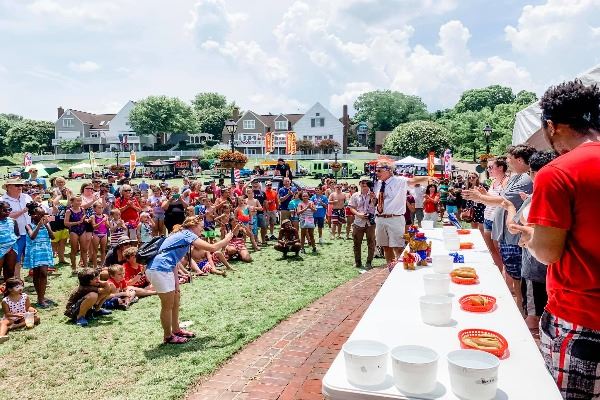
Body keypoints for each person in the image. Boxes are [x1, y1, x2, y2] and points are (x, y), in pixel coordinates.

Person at [510, 80, 600, 399]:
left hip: (580, 319)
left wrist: (529, 233)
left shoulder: (558, 171)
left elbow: (548, 252)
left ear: (551, 125)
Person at [463, 144, 535, 313]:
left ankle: (522, 310)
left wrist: (480, 197)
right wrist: (482, 197)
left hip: (515, 235)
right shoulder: (516, 177)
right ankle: (520, 307)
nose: (507, 161)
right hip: (508, 233)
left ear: (518, 159)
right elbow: (501, 199)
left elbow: (504, 201)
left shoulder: (524, 178)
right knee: (513, 271)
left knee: (518, 276)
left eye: (509, 158)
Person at [145, 216, 233, 344]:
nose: (201, 231)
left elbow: (174, 261)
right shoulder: (187, 234)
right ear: (193, 226)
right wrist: (227, 238)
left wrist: (177, 285)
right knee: (167, 305)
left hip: (163, 269)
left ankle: (176, 330)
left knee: (175, 300)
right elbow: (213, 248)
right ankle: (168, 337)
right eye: (200, 228)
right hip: (160, 269)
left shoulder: (181, 234)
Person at [373, 161, 429, 265]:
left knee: (398, 248)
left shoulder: (399, 181)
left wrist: (428, 177)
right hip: (380, 218)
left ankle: (399, 271)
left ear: (389, 170)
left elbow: (413, 181)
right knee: (386, 248)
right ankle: (391, 271)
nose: (377, 173)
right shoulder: (378, 184)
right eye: (376, 170)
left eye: (379, 170)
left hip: (395, 218)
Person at [23, 202, 55, 308]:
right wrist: (39, 225)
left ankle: (42, 297)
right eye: (41, 215)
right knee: (37, 274)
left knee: (44, 274)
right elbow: (32, 236)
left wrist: (46, 225)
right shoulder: (28, 225)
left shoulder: (46, 225)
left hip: (45, 251)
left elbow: (53, 237)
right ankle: (40, 297)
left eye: (43, 215)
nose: (43, 217)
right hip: (35, 252)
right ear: (33, 216)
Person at [482, 157, 509, 269]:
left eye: (490, 167)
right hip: (487, 218)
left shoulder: (506, 181)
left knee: (499, 251)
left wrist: (483, 196)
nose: (488, 169)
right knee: (491, 250)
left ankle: (504, 274)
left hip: (497, 220)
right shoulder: (493, 181)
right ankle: (498, 272)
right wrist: (482, 195)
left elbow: (503, 201)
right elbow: (491, 199)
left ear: (501, 167)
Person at [1, 178, 32, 278]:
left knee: (32, 257)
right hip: (15, 236)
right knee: (15, 261)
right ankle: (16, 282)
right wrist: (23, 210)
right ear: (8, 187)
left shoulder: (26, 196)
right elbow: (5, 216)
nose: (20, 187)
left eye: (21, 185)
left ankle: (30, 279)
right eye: (17, 185)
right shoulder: (2, 200)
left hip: (30, 232)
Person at [348, 180, 377, 269]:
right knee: (356, 243)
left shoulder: (374, 194)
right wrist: (358, 214)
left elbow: (377, 206)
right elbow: (351, 207)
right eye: (362, 183)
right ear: (359, 184)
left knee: (371, 243)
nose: (364, 184)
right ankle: (358, 262)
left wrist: (374, 199)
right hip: (358, 222)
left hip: (370, 223)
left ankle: (369, 262)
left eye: (366, 183)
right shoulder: (355, 195)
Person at [1, 277, 40, 343]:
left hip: (23, 316)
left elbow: (28, 307)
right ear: (10, 289)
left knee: (37, 318)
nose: (20, 288)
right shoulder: (5, 300)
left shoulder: (25, 296)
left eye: (21, 285)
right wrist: (16, 315)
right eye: (17, 287)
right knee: (3, 323)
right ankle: (1, 336)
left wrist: (32, 310)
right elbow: (7, 313)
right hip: (11, 318)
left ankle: (14, 327)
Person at [64, 196, 90, 273]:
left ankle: (86, 267)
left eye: (80, 201)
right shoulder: (69, 211)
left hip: (82, 230)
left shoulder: (82, 209)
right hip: (73, 231)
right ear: (72, 202)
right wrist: (77, 222)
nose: (79, 202)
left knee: (84, 249)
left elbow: (83, 219)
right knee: (74, 250)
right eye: (77, 201)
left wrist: (87, 220)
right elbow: (65, 223)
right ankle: (74, 268)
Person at [0, 201, 18, 282]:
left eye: (9, 209)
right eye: (4, 210)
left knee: (10, 271)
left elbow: (17, 234)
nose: (8, 212)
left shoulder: (13, 221)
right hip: (0, 248)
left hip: (12, 247)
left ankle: (9, 291)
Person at [90, 201, 109, 270]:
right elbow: (94, 227)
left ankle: (102, 265)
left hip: (104, 234)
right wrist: (102, 221)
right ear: (94, 209)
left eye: (101, 208)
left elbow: (108, 226)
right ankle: (95, 266)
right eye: (99, 208)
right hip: (96, 234)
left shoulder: (105, 216)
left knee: (103, 250)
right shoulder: (93, 216)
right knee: (95, 250)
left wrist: (106, 221)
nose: (100, 209)